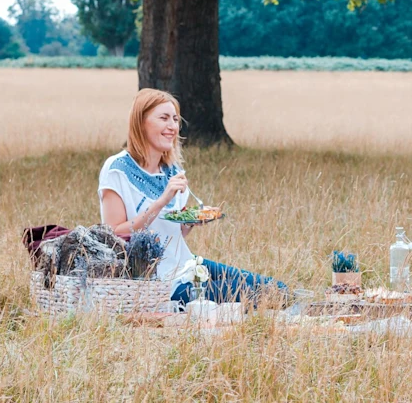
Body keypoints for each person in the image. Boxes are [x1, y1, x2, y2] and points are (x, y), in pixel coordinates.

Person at [99, 88, 288, 308]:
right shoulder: (117, 169)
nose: (172, 126)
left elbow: (173, 235)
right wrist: (161, 201)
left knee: (277, 290)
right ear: (140, 123)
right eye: (164, 118)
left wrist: (189, 223)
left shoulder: (172, 171)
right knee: (260, 296)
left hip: (186, 265)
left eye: (175, 119)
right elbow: (114, 235)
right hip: (157, 284)